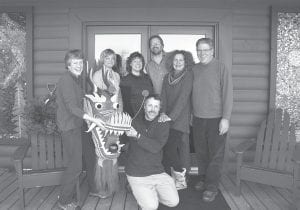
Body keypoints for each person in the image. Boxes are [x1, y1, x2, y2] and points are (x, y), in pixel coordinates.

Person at [56, 49, 105, 210]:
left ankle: (93, 189)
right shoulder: (65, 80)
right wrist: (92, 118)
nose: (79, 65)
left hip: (79, 125)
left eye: (80, 62)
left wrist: (96, 98)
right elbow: (71, 107)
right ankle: (64, 200)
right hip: (70, 128)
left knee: (90, 156)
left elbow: (83, 97)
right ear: (68, 65)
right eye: (75, 63)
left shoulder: (76, 79)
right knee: (75, 165)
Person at [192, 38, 233, 202]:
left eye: (205, 50)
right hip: (197, 118)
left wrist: (226, 118)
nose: (202, 53)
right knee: (201, 152)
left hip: (216, 119)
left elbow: (228, 94)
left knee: (215, 155)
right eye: (199, 50)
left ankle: (212, 186)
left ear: (212, 50)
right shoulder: (194, 69)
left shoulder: (220, 67)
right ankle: (203, 178)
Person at [124, 95, 179, 210]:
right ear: (144, 107)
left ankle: (148, 192)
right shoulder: (133, 122)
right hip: (137, 173)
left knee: (173, 202)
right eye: (149, 105)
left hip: (157, 171)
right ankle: (139, 190)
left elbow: (156, 147)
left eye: (156, 106)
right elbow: (122, 140)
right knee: (151, 207)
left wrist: (137, 136)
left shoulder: (163, 124)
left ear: (159, 109)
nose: (152, 109)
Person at [159, 50, 194, 190]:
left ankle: (184, 177)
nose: (178, 62)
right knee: (169, 148)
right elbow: (163, 97)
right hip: (167, 118)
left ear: (186, 62)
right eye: (175, 60)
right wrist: (162, 113)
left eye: (181, 60)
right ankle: (170, 176)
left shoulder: (188, 76)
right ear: (171, 62)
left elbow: (183, 98)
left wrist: (171, 116)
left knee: (183, 147)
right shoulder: (167, 77)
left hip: (181, 118)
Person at [120, 51, 154, 118]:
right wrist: (133, 118)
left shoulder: (147, 78)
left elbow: (152, 96)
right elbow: (126, 104)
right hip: (134, 116)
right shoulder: (126, 80)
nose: (138, 63)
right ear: (130, 64)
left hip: (149, 115)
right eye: (135, 61)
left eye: (140, 61)